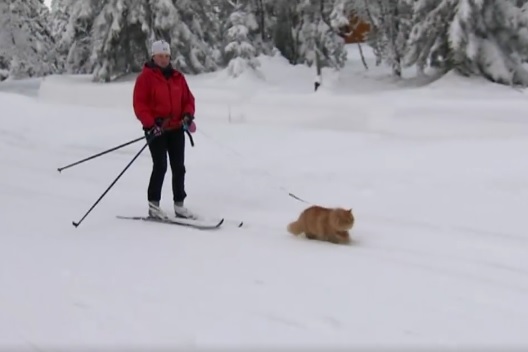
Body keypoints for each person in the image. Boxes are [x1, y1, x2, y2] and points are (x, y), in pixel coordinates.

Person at [132, 39, 197, 220]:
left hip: (176, 128)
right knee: (160, 166)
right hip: (156, 130)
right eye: (160, 56)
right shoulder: (145, 78)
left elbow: (188, 100)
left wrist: (187, 114)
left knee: (179, 167)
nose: (164, 59)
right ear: (153, 56)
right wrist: (151, 124)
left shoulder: (178, 77)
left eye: (167, 56)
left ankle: (179, 205)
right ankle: (154, 205)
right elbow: (140, 105)